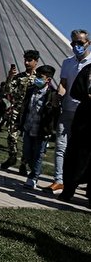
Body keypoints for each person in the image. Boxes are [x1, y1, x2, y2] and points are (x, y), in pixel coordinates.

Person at [45, 29, 91, 194]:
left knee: (81, 149)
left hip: (86, 114)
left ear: (88, 43)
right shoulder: (67, 62)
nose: (76, 46)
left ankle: (78, 181)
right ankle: (59, 180)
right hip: (68, 109)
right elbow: (63, 84)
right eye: (74, 43)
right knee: (61, 146)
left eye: (80, 42)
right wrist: (58, 95)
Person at [19, 65, 60, 189]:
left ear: (48, 79)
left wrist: (51, 130)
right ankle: (35, 171)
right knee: (26, 153)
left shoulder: (52, 94)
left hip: (42, 130)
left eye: (40, 77)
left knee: (38, 154)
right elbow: (25, 107)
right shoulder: (31, 90)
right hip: (29, 126)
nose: (37, 79)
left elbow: (54, 114)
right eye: (37, 76)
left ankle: (33, 178)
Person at [0, 50, 39, 174]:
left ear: (36, 62)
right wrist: (10, 76)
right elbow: (7, 91)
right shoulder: (19, 77)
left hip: (31, 112)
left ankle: (24, 163)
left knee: (28, 139)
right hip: (17, 110)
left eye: (29, 60)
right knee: (12, 136)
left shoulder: (39, 79)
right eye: (25, 60)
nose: (26, 62)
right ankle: (12, 157)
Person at [58, 61, 91, 205]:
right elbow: (75, 91)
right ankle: (68, 190)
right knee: (75, 157)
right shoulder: (88, 70)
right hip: (85, 120)